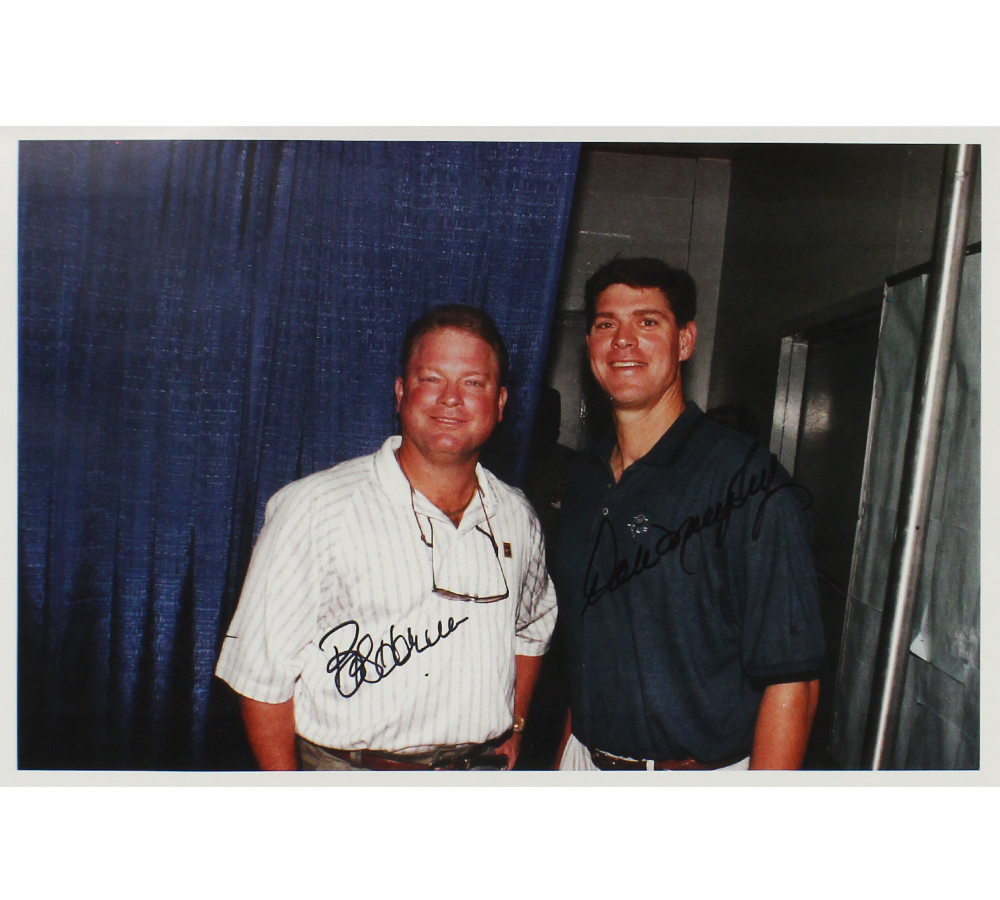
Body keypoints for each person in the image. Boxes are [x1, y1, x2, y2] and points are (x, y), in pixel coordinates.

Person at [216, 305, 557, 770]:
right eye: (431, 378)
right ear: (400, 393)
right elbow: (261, 678)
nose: (451, 398)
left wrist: (515, 725)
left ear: (500, 403)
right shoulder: (315, 509)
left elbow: (532, 626)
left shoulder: (518, 516)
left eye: (473, 383)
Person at [556, 257, 824, 771]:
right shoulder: (585, 478)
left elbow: (794, 679)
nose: (623, 340)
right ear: (589, 344)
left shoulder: (748, 482)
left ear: (685, 341)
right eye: (606, 324)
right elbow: (592, 642)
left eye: (647, 321)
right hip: (584, 760)